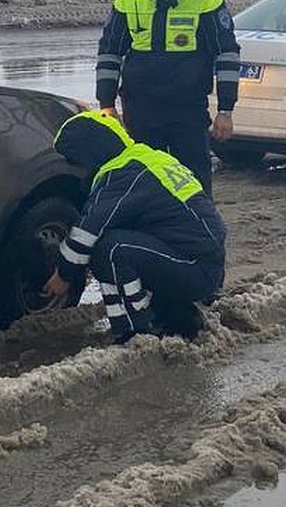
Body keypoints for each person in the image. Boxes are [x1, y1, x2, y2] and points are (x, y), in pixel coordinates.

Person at [42, 109, 227, 344]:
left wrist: (63, 273)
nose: (79, 170)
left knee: (110, 249)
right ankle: (178, 315)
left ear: (90, 152)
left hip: (194, 267)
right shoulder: (146, 158)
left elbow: (88, 230)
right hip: (202, 262)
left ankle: (134, 333)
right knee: (127, 243)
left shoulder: (122, 172)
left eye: (76, 161)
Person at [95, 0, 240, 196]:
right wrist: (106, 103)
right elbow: (109, 53)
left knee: (193, 184)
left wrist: (226, 109)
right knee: (142, 181)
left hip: (188, 111)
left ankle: (198, 235)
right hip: (141, 110)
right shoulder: (128, 0)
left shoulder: (206, 1)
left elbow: (227, 56)